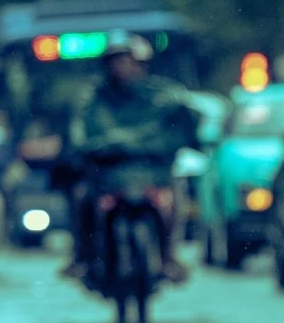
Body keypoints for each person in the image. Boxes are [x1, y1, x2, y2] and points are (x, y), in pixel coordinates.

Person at [63, 33, 199, 283]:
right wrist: (87, 148)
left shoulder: (163, 94)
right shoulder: (92, 96)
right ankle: (83, 257)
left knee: (174, 198)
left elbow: (183, 122)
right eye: (117, 61)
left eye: (129, 61)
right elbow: (78, 130)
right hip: (107, 172)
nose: (123, 67)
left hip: (152, 171)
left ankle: (168, 256)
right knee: (81, 196)